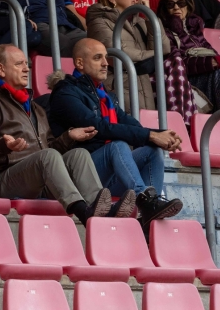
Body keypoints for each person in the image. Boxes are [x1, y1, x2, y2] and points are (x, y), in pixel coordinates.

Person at [0, 44, 137, 225]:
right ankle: (81, 210)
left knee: (79, 154)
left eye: (26, 63)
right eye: (19, 64)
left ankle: (101, 207)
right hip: (0, 180)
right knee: (48, 156)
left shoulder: (35, 107)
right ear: (0, 69)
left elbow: (49, 148)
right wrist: (2, 145)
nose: (26, 68)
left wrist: (69, 137)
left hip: (38, 178)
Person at [48, 38, 184, 231]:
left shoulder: (106, 96)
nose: (105, 63)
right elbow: (99, 127)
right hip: (80, 177)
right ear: (79, 63)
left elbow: (132, 125)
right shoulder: (65, 93)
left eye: (105, 57)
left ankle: (150, 214)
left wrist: (162, 135)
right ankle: (144, 199)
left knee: (151, 150)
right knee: (118, 145)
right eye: (97, 58)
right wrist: (152, 135)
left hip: (106, 176)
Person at [87, 0, 198, 124]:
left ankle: (180, 122)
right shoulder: (99, 21)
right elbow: (118, 56)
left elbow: (164, 47)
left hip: (143, 84)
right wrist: (156, 55)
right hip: (120, 86)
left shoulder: (139, 21)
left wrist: (149, 17)